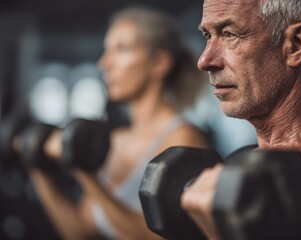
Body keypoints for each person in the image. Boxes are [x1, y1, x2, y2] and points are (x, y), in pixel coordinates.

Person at [180, 0, 301, 239]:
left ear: (295, 44)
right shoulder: (243, 163)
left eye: (229, 34)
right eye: (207, 35)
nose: (204, 61)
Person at [29, 6, 210, 240]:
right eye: (107, 51)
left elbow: (154, 236)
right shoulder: (114, 140)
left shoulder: (183, 138)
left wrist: (86, 174)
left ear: (159, 63)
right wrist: (37, 166)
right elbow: (81, 232)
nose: (104, 63)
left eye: (121, 49)